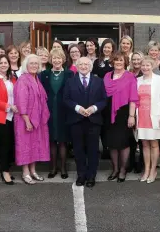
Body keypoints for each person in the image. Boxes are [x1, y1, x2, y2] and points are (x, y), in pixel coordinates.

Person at [64, 57, 108, 187]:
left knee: (93, 150)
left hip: (93, 121)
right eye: (81, 64)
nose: (83, 66)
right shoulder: (70, 81)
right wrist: (77, 108)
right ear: (76, 66)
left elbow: (104, 100)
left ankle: (91, 176)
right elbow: (66, 99)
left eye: (86, 64)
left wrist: (94, 108)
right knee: (78, 150)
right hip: (76, 121)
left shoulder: (99, 81)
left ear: (91, 66)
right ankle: (81, 175)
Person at [14, 55, 50, 184]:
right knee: (25, 145)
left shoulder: (36, 79)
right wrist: (27, 120)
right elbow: (21, 102)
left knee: (35, 145)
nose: (34, 65)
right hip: (26, 120)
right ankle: (25, 172)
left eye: (36, 63)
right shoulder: (23, 80)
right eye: (31, 63)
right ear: (26, 65)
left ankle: (33, 170)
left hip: (37, 120)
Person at [103, 51, 139, 182]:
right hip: (108, 113)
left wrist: (131, 116)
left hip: (124, 113)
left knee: (123, 143)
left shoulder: (130, 77)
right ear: (112, 61)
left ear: (125, 62)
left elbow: (133, 98)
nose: (118, 62)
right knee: (112, 143)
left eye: (121, 60)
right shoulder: (107, 76)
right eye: (116, 60)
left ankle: (123, 169)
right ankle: (115, 169)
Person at [40, 49, 74, 179]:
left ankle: (63, 168)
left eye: (59, 58)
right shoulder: (44, 74)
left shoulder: (69, 74)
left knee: (63, 141)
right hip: (49, 111)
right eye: (54, 58)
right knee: (52, 141)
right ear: (50, 60)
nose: (57, 60)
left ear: (63, 59)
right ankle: (53, 168)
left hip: (64, 111)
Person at [136, 58, 160, 183]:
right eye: (143, 65)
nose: (145, 67)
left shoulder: (159, 80)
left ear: (152, 66)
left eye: (147, 65)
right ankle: (147, 170)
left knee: (154, 144)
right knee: (144, 144)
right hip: (141, 116)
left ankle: (153, 170)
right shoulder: (137, 80)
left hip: (154, 115)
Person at [0, 55, 18, 185]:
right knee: (3, 145)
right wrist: (9, 106)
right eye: (1, 63)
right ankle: (4, 171)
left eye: (6, 63)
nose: (4, 65)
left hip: (13, 117)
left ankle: (6, 168)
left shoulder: (13, 79)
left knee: (10, 144)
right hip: (0, 117)